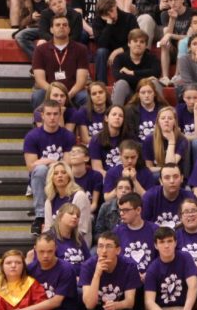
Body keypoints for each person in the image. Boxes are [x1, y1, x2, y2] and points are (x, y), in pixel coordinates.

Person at [24, 100, 77, 235]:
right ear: (42, 115)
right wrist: (52, 161)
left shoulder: (68, 136)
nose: (52, 117)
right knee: (40, 170)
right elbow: (31, 166)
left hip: (60, 173)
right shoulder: (32, 136)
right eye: (48, 114)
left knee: (59, 171)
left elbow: (67, 164)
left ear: (60, 115)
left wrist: (47, 161)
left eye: (55, 114)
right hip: (41, 176)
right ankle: (40, 216)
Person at [30, 14, 89, 109]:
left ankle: (82, 124)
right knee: (37, 96)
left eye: (65, 25)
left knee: (85, 97)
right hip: (49, 90)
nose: (62, 27)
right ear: (51, 30)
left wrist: (68, 95)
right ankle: (39, 124)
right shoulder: (40, 50)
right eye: (57, 25)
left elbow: (81, 81)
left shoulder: (81, 49)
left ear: (69, 29)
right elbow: (40, 80)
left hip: (73, 91)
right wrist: (55, 94)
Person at [42, 161, 92, 244]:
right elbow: (48, 228)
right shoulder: (49, 201)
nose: (60, 175)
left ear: (69, 176)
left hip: (77, 242)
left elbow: (82, 229)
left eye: (64, 172)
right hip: (55, 243)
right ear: (51, 178)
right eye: (56, 173)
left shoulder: (79, 196)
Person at [114, 192, 160, 277]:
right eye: (120, 210)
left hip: (151, 277)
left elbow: (161, 257)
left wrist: (149, 273)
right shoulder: (117, 231)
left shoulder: (154, 230)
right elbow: (115, 258)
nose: (121, 213)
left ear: (138, 210)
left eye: (126, 210)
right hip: (126, 279)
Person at [111, 29, 161, 107]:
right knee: (121, 83)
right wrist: (145, 78)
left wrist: (132, 73)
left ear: (145, 45)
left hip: (147, 92)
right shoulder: (120, 58)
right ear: (129, 43)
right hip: (128, 92)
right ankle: (114, 113)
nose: (138, 44)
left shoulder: (152, 58)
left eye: (142, 42)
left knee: (155, 82)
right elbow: (117, 76)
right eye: (135, 41)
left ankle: (162, 115)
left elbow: (156, 72)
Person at [94, 0, 137, 85]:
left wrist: (117, 51)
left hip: (126, 50)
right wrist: (109, 25)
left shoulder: (129, 18)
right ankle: (101, 84)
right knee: (101, 52)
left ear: (115, 6)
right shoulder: (98, 21)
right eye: (106, 14)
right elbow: (102, 44)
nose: (111, 15)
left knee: (134, 49)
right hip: (107, 51)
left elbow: (135, 41)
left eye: (112, 11)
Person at [143, 163, 197, 229]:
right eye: (167, 178)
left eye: (175, 177)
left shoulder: (190, 197)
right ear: (160, 181)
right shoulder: (150, 197)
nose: (172, 181)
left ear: (182, 178)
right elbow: (143, 226)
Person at [143, 107, 190, 175]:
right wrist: (162, 169)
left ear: (175, 122)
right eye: (163, 118)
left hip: (175, 174)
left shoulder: (182, 140)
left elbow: (171, 166)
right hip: (157, 173)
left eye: (170, 118)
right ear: (158, 122)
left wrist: (171, 142)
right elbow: (149, 167)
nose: (166, 120)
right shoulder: (149, 139)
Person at [125, 78, 169, 142]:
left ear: (155, 94)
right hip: (138, 149)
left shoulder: (164, 110)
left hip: (160, 147)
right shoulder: (130, 110)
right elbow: (131, 137)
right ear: (138, 95)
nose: (146, 95)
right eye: (143, 92)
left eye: (149, 92)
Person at [89, 104, 128, 175]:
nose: (117, 117)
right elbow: (97, 169)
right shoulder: (96, 140)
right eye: (114, 114)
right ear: (106, 118)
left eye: (121, 116)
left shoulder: (129, 138)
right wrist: (111, 178)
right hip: (106, 177)